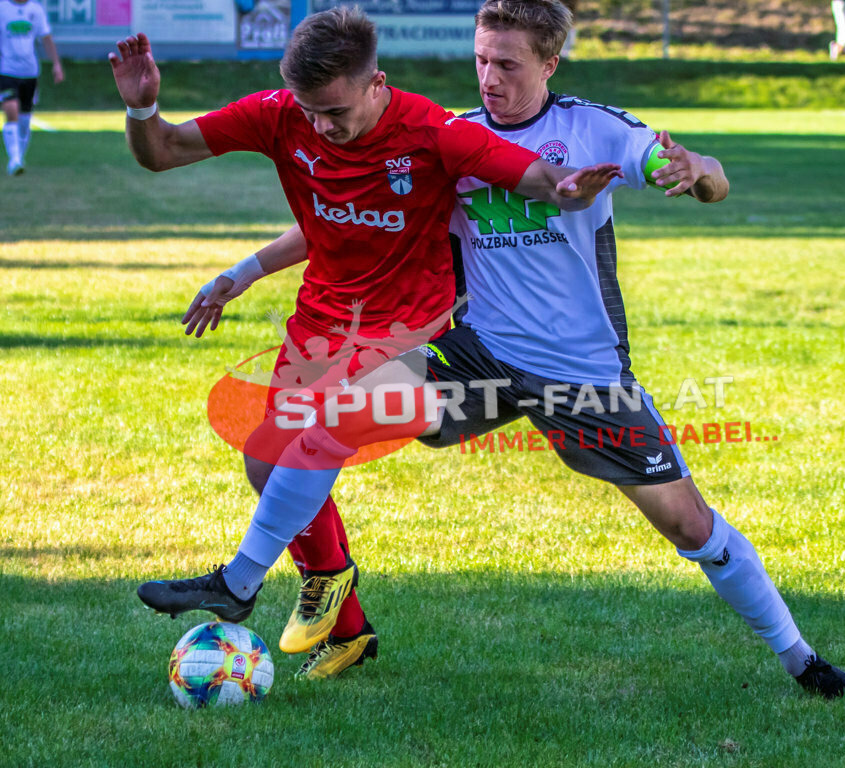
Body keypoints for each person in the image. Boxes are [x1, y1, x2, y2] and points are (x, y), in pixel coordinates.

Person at [143, 0, 845, 698]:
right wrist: (243, 272)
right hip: (479, 360)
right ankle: (245, 581)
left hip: (580, 377)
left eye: (509, 65)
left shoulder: (592, 130)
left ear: (551, 63)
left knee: (690, 525)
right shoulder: (447, 134)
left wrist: (694, 174)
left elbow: (694, 167)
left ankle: (802, 660)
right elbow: (340, 226)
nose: (490, 79)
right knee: (335, 408)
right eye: (482, 60)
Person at [110, 6, 620, 669]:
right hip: (322, 319)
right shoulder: (280, 114)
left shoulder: (434, 132)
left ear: (375, 83)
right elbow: (165, 151)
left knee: (315, 438)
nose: (323, 127)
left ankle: (239, 583)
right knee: (266, 462)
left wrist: (574, 189)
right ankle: (348, 629)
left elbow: (539, 179)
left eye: (336, 113)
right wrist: (145, 111)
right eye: (310, 112)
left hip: (408, 329)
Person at [0, 0, 63, 176]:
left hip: (29, 72)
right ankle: (14, 159)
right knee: (11, 109)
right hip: (7, 71)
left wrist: (56, 64)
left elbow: (46, 38)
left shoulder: (35, 10)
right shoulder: (2, 8)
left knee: (25, 118)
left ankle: (19, 156)